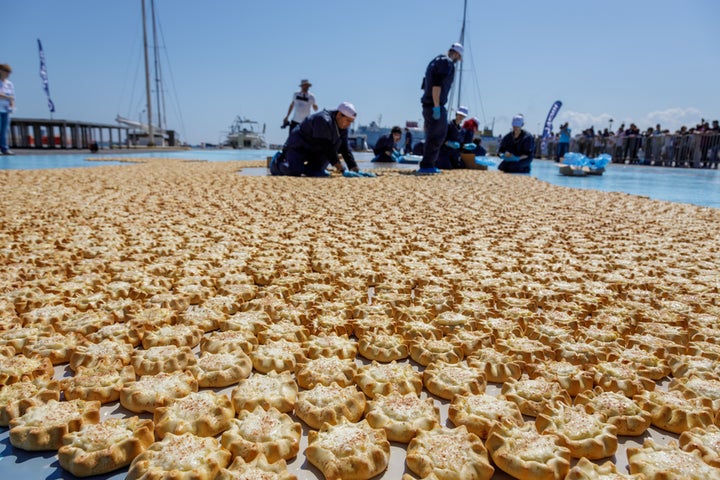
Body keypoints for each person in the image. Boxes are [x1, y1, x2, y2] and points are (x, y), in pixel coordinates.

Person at [270, 102, 360, 177]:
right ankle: (277, 162)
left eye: (351, 122)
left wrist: (354, 168)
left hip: (316, 148)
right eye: (348, 121)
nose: (349, 124)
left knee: (316, 173)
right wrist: (340, 168)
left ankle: (310, 168)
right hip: (299, 145)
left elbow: (345, 147)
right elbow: (326, 145)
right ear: (339, 115)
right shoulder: (323, 119)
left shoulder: (344, 126)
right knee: (293, 171)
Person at [418, 42, 463, 174]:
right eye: (459, 58)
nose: (458, 61)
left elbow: (425, 85)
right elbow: (436, 86)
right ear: (456, 54)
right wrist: (436, 107)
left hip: (427, 104)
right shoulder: (447, 63)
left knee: (433, 135)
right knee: (438, 135)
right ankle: (427, 165)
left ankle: (428, 164)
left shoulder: (435, 61)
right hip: (434, 105)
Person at [0, 64, 15, 155]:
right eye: (7, 71)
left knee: (5, 130)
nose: (8, 74)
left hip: (6, 110)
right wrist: (8, 97)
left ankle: (5, 148)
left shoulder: (9, 84)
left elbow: (13, 97)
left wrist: (12, 106)